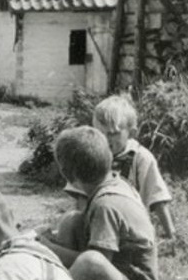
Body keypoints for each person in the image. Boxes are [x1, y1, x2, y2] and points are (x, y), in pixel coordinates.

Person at [40, 126, 163, 280]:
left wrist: (50, 249)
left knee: (89, 261)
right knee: (71, 220)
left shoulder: (106, 206)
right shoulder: (115, 181)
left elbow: (97, 263)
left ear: (69, 176)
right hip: (121, 279)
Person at [64, 94, 176, 240]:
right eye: (100, 133)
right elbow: (81, 197)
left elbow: (157, 198)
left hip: (130, 227)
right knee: (68, 222)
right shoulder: (90, 155)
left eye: (113, 134)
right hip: (98, 221)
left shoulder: (140, 157)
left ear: (132, 133)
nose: (105, 139)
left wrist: (170, 233)